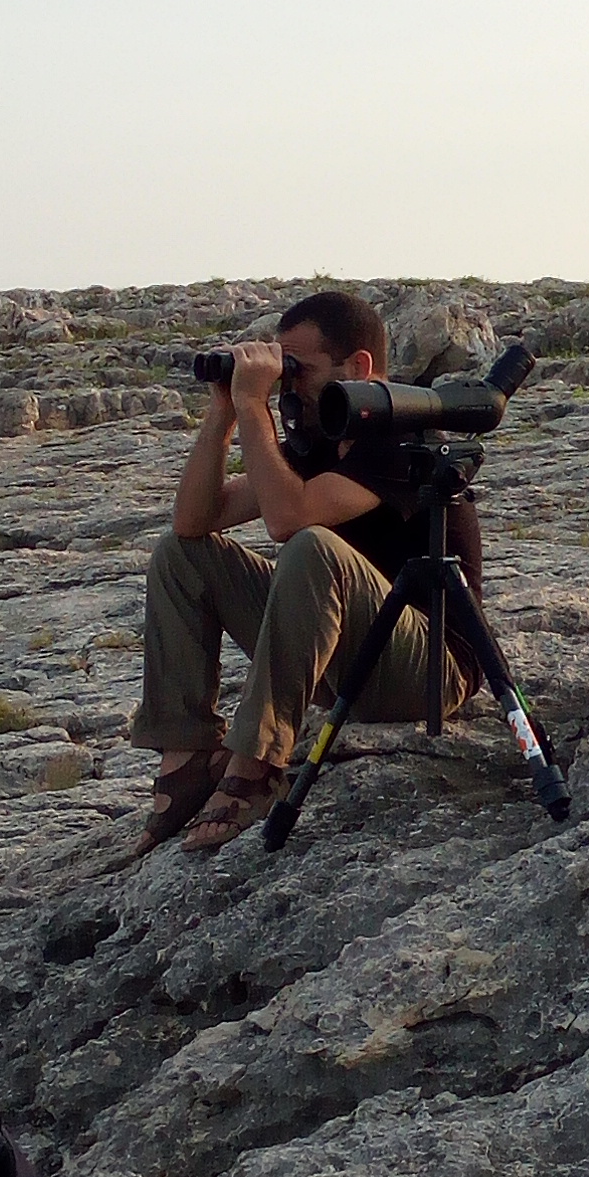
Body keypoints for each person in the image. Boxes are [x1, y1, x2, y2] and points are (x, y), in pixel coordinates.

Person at [131, 287, 484, 856]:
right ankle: (189, 753)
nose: (287, 382)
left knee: (310, 544)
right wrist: (225, 411)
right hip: (348, 651)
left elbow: (288, 518)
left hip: (429, 666)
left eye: (299, 368)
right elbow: (196, 520)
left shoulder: (403, 435)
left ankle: (258, 763)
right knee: (180, 555)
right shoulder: (320, 438)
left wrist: (253, 409)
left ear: (358, 367)